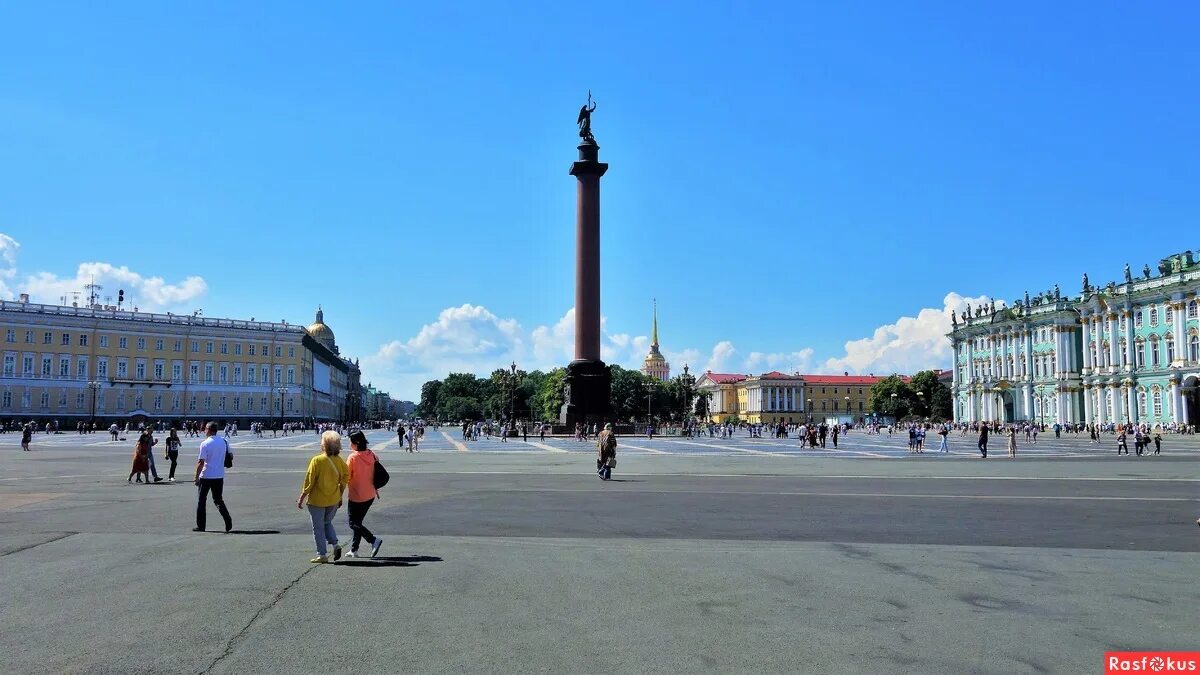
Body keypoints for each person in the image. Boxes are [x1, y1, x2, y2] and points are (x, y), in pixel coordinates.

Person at [297, 430, 348, 563]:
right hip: (333, 498)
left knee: (318, 527)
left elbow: (309, 481)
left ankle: (322, 554)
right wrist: (340, 493)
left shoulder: (317, 460)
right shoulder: (339, 461)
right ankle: (335, 544)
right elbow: (345, 477)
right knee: (327, 522)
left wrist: (302, 496)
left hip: (317, 500)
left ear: (324, 444)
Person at [345, 430, 383, 558]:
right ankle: (354, 549)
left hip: (357, 495)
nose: (349, 444)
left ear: (356, 443)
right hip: (370, 494)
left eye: (350, 442)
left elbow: (346, 476)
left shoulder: (353, 457)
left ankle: (373, 540)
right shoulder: (372, 455)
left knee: (353, 523)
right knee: (358, 523)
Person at [193, 421, 233, 533]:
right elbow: (231, 456)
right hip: (219, 475)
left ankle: (201, 526)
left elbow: (201, 462)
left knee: (201, 501)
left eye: (205, 429)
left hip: (206, 476)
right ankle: (227, 520)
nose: (204, 431)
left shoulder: (205, 443)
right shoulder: (224, 442)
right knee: (218, 500)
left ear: (209, 430)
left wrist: (196, 477)